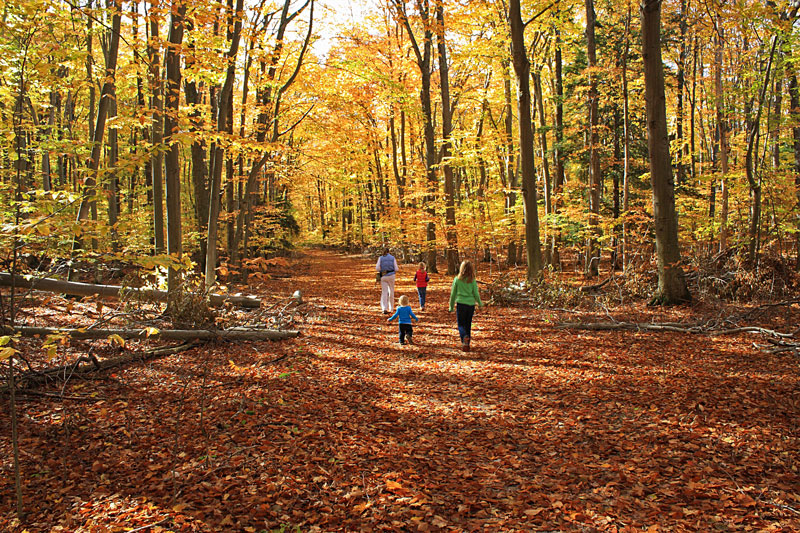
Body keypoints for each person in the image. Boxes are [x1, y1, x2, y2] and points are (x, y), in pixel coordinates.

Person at [448, 260, 484, 352]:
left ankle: (464, 338)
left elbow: (453, 294)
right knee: (468, 324)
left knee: (461, 324)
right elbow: (476, 293)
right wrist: (480, 303)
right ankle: (467, 343)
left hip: (461, 304)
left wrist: (451, 307)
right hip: (470, 305)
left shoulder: (457, 279)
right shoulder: (472, 281)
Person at [376, 248, 399, 314]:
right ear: (389, 252)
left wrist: (381, 270)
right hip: (391, 276)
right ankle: (391, 308)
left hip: (383, 276)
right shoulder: (392, 258)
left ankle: (384, 308)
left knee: (384, 292)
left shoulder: (380, 258)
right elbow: (396, 268)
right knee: (391, 291)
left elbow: (377, 268)